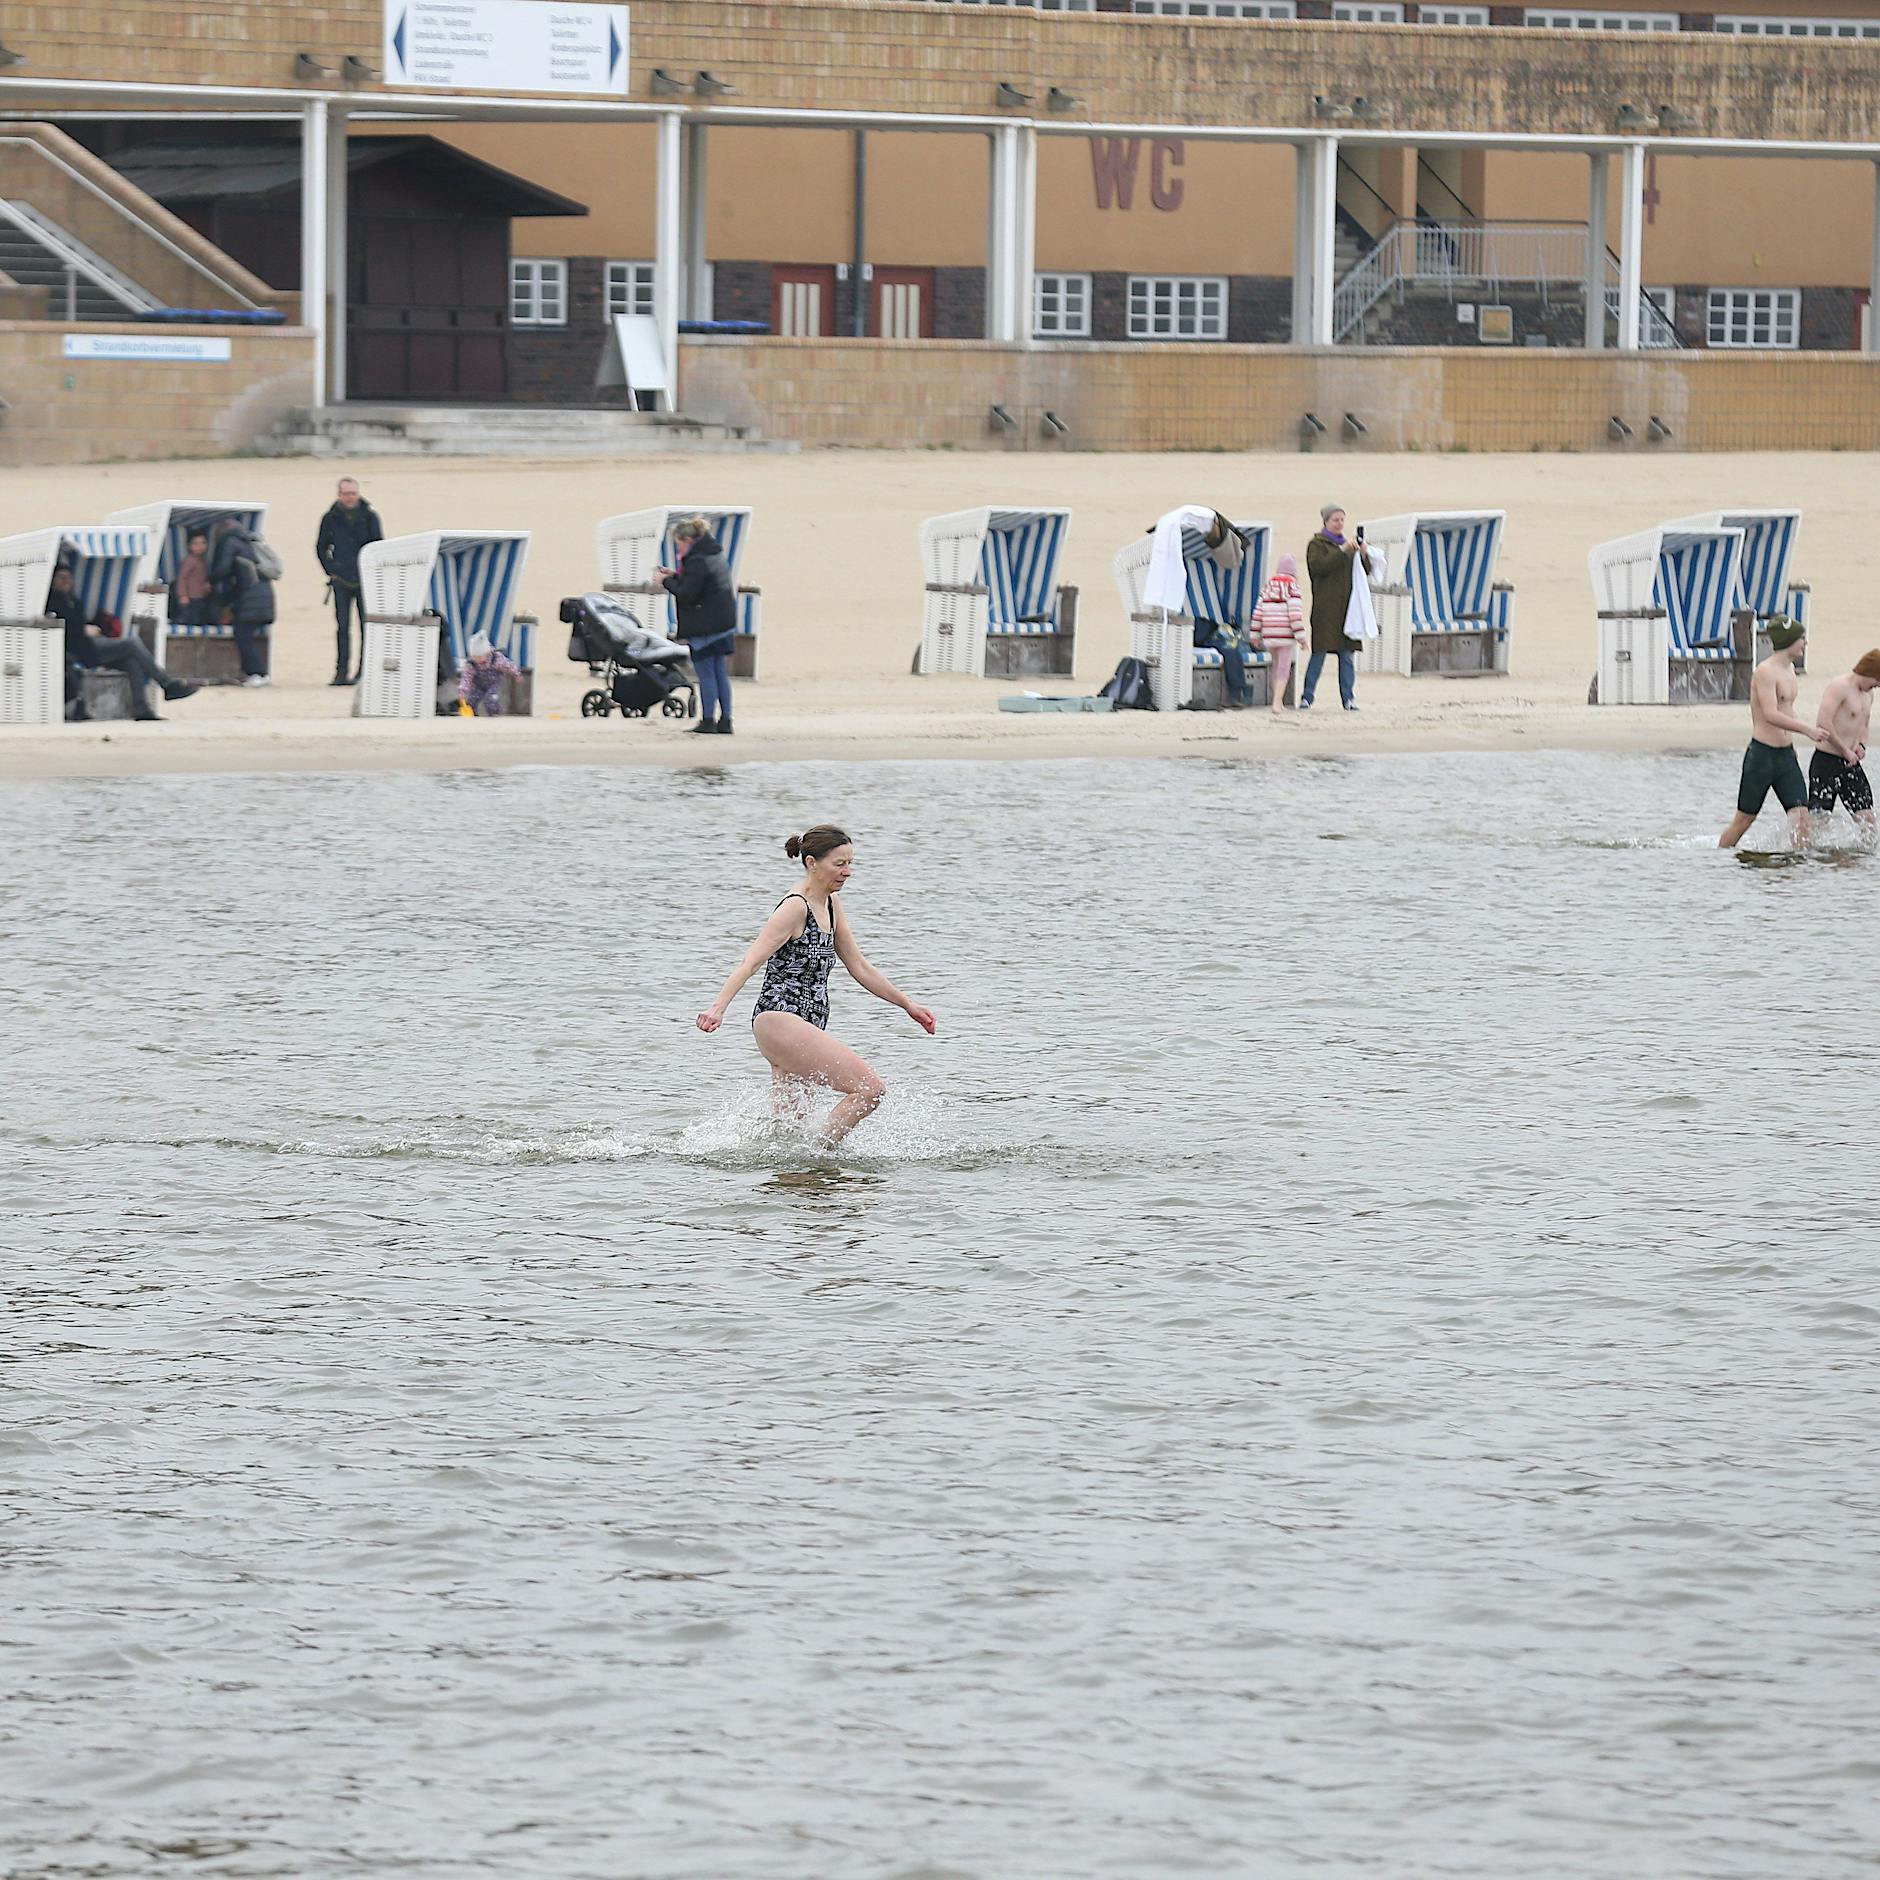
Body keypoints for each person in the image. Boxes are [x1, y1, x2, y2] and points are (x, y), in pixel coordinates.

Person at [696, 825, 936, 1144]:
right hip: (780, 1020)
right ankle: (820, 1156)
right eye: (839, 864)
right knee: (870, 1090)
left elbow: (859, 966)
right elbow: (750, 962)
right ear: (811, 863)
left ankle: (788, 1175)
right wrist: (718, 1008)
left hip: (808, 1024)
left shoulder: (832, 905)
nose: (848, 872)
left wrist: (908, 1005)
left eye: (850, 863)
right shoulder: (795, 907)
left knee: (790, 1127)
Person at [1718, 617, 1829, 849]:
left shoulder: (1789, 670)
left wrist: (1814, 730)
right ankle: (1719, 861)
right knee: (1745, 819)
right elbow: (1770, 714)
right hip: (1762, 757)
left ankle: (1795, 873)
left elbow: (1786, 710)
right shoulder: (1765, 672)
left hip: (1786, 757)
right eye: (1801, 639)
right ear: (1788, 641)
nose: (1805, 643)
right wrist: (1807, 730)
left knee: (1801, 817)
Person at [47, 565, 199, 722]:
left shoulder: (73, 599)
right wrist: (83, 629)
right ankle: (167, 684)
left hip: (88, 645)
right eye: (61, 578)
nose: (65, 581)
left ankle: (143, 710)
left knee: (131, 661)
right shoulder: (53, 601)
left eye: (68, 577)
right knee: (131, 644)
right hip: (78, 649)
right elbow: (65, 627)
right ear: (52, 581)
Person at [659, 517, 738, 735]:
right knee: (719, 671)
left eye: (679, 544)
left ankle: (708, 721)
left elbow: (687, 594)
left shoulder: (697, 560)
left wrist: (665, 582)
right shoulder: (713, 552)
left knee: (706, 674)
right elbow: (698, 583)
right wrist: (675, 576)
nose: (679, 549)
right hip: (724, 622)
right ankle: (726, 721)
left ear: (688, 540)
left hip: (706, 626)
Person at [1301, 505, 1372, 713]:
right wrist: (1342, 551)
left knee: (1347, 656)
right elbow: (1319, 567)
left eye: (1342, 519)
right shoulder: (1317, 544)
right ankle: (1307, 697)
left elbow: (1365, 571)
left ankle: (1348, 699)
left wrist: (1365, 554)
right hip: (1325, 610)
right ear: (1325, 522)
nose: (1339, 523)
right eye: (1335, 520)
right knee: (1319, 654)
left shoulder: (1350, 547)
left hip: (1347, 611)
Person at [316, 476, 383, 687]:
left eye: (353, 493)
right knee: (342, 628)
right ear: (339, 494)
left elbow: (378, 547)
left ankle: (364, 673)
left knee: (367, 628)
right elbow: (321, 547)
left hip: (365, 580)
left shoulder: (370, 516)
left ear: (358, 493)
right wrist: (332, 570)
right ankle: (341, 673)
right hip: (341, 581)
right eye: (346, 493)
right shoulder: (330, 517)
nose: (350, 497)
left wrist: (372, 572)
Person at [1807, 647, 1880, 839]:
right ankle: (1810, 860)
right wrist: (1844, 749)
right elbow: (1823, 722)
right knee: (1818, 820)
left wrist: (1861, 746)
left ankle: (1864, 861)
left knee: (1868, 820)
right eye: (1877, 680)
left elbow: (1864, 724)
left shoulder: (1868, 695)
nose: (1878, 686)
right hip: (1826, 760)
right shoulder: (1839, 686)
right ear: (1869, 671)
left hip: (1851, 763)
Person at [209, 515, 275, 687]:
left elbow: (223, 569)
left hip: (251, 599)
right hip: (265, 596)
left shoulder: (230, 542)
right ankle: (257, 673)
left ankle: (257, 673)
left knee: (243, 636)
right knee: (247, 635)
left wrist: (210, 580)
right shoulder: (250, 541)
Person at [1256, 550, 1306, 715]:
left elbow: (1258, 612)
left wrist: (1254, 634)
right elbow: (1295, 616)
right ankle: (1277, 703)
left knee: (1275, 665)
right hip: (1285, 635)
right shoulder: (1293, 588)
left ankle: (1276, 700)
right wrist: (1302, 638)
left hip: (1269, 634)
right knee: (1283, 669)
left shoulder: (1267, 587)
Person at [458, 631, 522, 716]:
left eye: (479, 657)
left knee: (490, 699)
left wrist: (516, 674)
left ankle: (494, 714)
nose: (476, 659)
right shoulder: (471, 664)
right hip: (478, 686)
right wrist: (462, 691)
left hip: (493, 684)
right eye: (474, 657)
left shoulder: (496, 659)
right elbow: (466, 678)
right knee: (472, 699)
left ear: (487, 653)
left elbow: (508, 665)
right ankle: (472, 713)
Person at [169, 529, 215, 627]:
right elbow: (182, 578)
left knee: (198, 618)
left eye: (203, 543)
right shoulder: (189, 560)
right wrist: (183, 595)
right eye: (196, 544)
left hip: (199, 596)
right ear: (189, 546)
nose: (200, 547)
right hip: (190, 597)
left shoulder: (203, 561)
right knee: (188, 619)